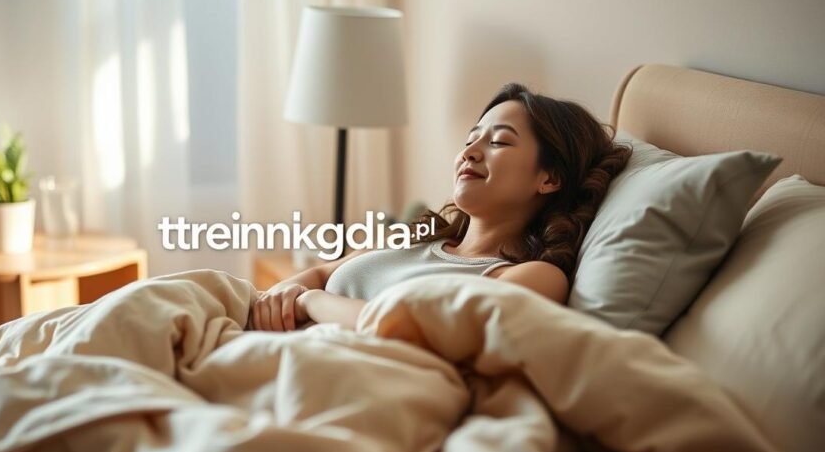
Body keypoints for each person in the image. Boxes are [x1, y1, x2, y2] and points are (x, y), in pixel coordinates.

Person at [249, 83, 633, 332]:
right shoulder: (412, 238)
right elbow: (317, 273)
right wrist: (281, 299)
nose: (469, 152)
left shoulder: (531, 277)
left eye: (498, 142)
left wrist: (311, 303)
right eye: (470, 139)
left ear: (549, 178)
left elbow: (405, 331)